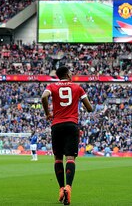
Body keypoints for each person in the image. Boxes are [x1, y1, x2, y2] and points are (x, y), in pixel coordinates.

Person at [41, 66, 93, 205]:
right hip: (71, 125)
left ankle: (61, 188)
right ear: (68, 74)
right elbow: (90, 108)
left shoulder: (51, 86)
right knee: (70, 158)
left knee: (58, 158)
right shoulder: (77, 87)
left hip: (56, 125)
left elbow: (44, 97)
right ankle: (68, 188)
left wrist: (47, 113)